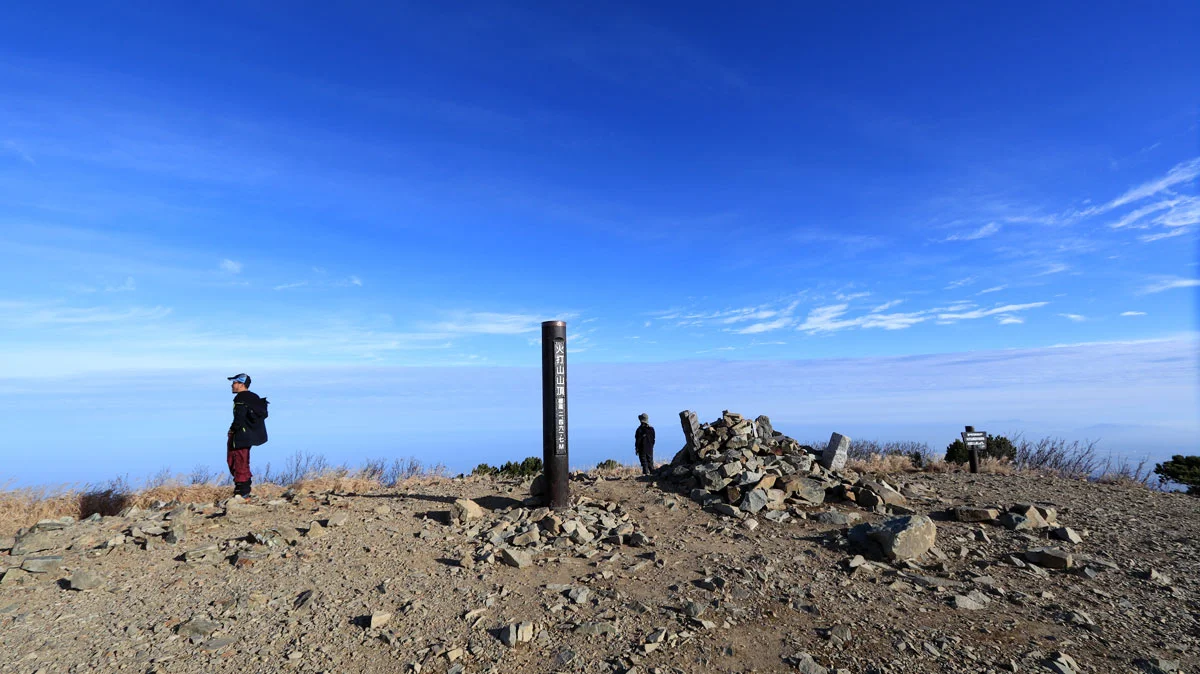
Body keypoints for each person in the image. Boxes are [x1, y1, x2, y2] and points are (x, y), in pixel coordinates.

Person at [227, 373, 268, 497]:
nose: (232, 385)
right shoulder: (254, 397)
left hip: (240, 436)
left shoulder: (240, 398)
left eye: (234, 383)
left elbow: (239, 418)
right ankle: (244, 489)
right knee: (243, 461)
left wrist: (232, 430)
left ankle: (242, 492)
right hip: (250, 436)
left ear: (241, 384)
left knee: (237, 461)